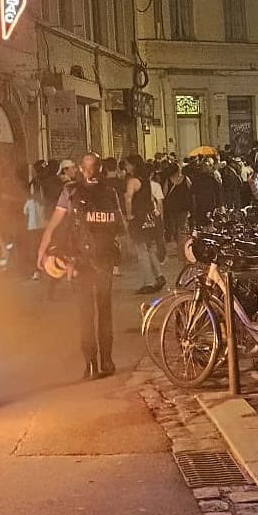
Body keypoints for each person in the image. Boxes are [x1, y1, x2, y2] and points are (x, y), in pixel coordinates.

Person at [36, 153, 125, 380]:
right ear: (101, 169)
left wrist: (43, 249)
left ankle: (91, 365)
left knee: (85, 313)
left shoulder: (71, 192)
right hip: (103, 258)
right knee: (104, 311)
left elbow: (54, 223)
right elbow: (120, 225)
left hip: (79, 260)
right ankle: (107, 360)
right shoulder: (110, 191)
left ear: (81, 169)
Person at [124, 155, 166, 294]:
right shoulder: (147, 181)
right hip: (149, 218)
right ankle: (159, 276)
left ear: (133, 165)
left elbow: (128, 199)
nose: (126, 167)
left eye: (128, 164)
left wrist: (129, 215)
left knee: (141, 251)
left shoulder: (133, 181)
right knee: (148, 248)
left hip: (138, 218)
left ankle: (149, 282)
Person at [161, 162, 191, 256]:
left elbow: (164, 194)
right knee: (181, 227)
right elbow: (191, 190)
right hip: (184, 207)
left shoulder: (168, 180)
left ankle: (179, 246)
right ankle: (182, 248)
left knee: (174, 227)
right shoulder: (186, 179)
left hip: (172, 208)